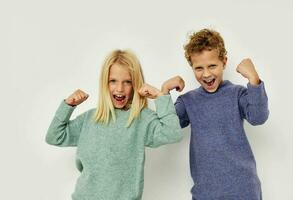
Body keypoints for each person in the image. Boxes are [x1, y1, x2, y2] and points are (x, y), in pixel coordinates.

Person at [46, 49, 183, 200]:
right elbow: (54, 137)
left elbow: (173, 133)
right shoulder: (90, 119)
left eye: (127, 82)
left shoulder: (142, 119)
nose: (119, 88)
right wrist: (68, 105)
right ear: (105, 83)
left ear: (136, 84)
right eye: (113, 81)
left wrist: (160, 96)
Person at [162, 29, 269, 199]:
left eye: (212, 66)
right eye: (199, 68)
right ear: (192, 67)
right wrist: (164, 93)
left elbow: (258, 117)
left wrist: (254, 80)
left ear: (224, 62)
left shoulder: (236, 94)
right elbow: (168, 128)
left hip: (244, 191)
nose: (206, 74)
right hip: (205, 194)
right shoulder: (188, 101)